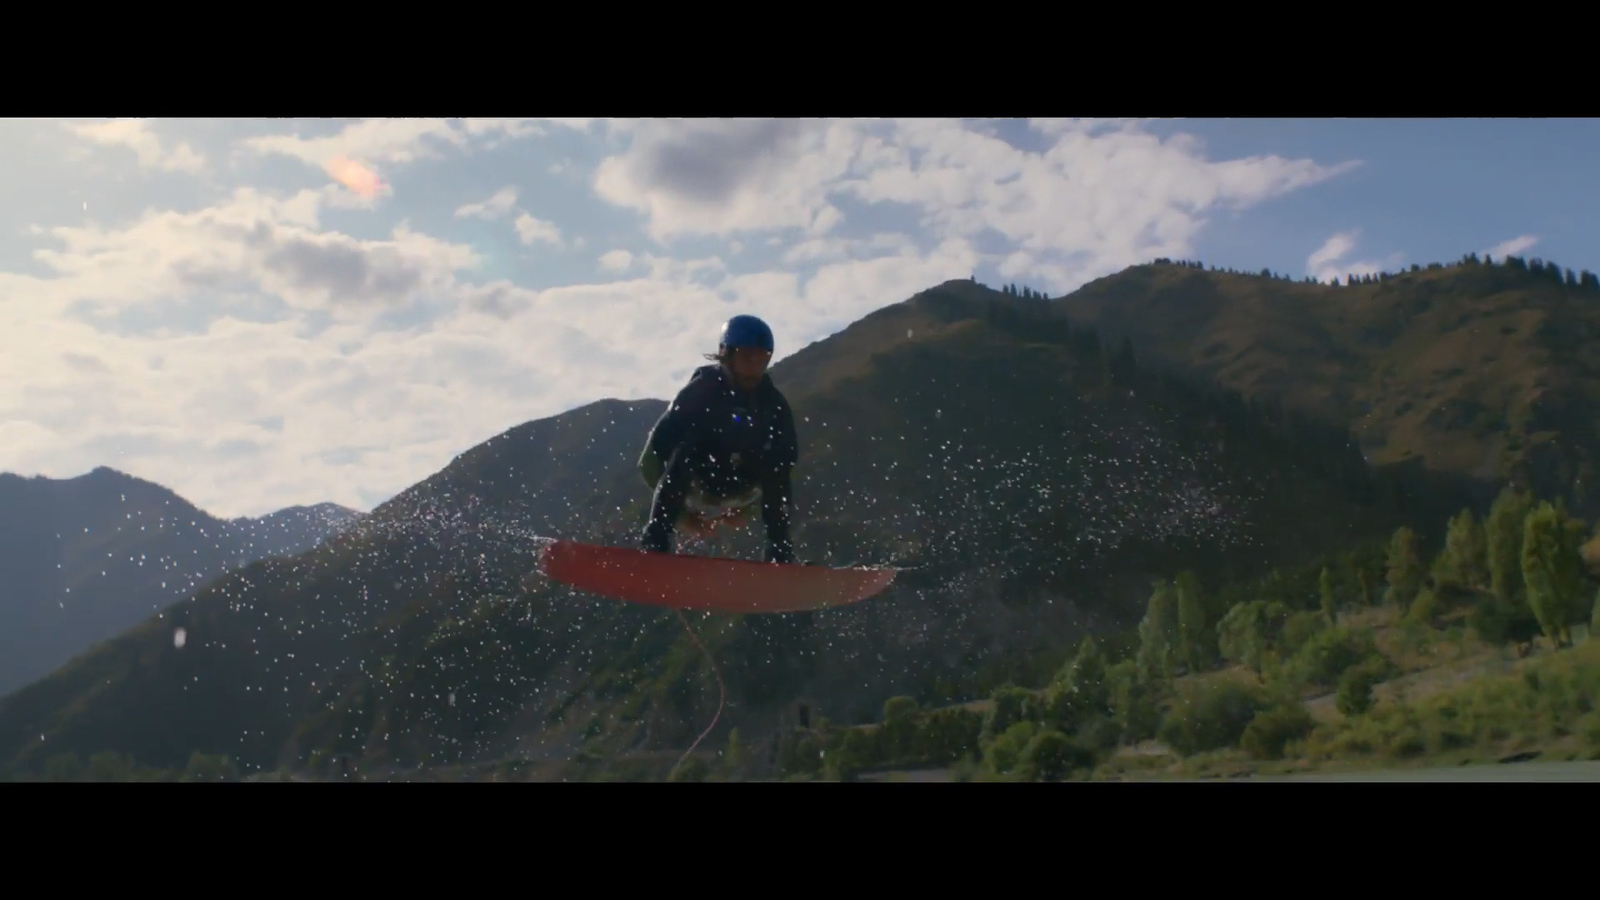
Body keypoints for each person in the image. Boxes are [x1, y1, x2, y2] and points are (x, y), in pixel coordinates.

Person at [638, 314, 798, 564]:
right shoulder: (696, 394)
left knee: (775, 464)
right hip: (698, 483)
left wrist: (747, 509)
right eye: (747, 356)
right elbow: (649, 462)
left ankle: (780, 552)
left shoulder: (773, 405)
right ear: (725, 353)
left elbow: (785, 471)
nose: (755, 366)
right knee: (687, 449)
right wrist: (682, 515)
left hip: (741, 488)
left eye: (762, 357)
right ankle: (655, 541)